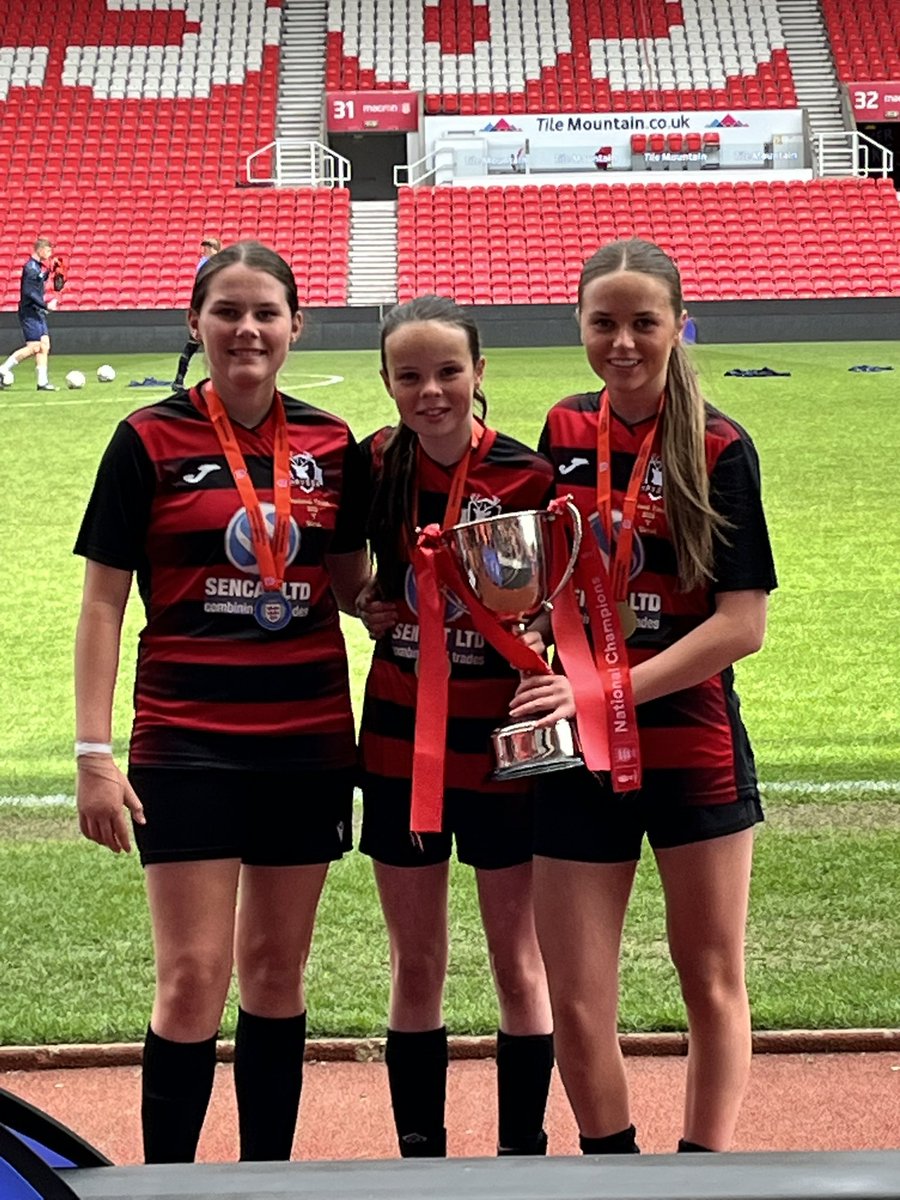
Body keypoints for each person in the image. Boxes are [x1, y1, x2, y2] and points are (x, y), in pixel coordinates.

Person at [73, 240, 370, 1165]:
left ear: (295, 325)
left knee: (277, 974)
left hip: (308, 741)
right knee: (192, 977)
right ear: (194, 323)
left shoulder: (333, 445)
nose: (247, 329)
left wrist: (465, 594)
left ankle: (265, 1183)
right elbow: (102, 604)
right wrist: (92, 753)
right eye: (227, 312)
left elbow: (354, 588)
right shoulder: (146, 439)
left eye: (265, 313)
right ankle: (166, 1186)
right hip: (186, 740)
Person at [512, 238, 777, 1156]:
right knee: (579, 996)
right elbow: (544, 577)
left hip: (691, 743)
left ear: (678, 326)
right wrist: (529, 633)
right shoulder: (561, 427)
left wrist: (608, 691)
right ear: (579, 325)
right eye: (604, 323)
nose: (622, 342)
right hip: (575, 750)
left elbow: (742, 624)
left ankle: (703, 1170)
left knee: (711, 980)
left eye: (642, 323)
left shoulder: (719, 445)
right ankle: (613, 1168)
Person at [355, 296, 556, 1160]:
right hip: (399, 742)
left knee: (519, 961)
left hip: (505, 744)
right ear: (387, 381)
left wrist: (540, 630)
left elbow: (561, 603)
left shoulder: (529, 475)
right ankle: (420, 1158)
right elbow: (347, 575)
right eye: (410, 375)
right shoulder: (373, 463)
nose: (430, 391)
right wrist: (368, 602)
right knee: (416, 963)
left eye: (448, 372)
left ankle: (522, 1157)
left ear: (479, 373)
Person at [0, 236, 62, 391]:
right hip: (29, 312)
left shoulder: (37, 267)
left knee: (44, 345)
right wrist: (46, 305)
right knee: (34, 347)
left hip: (37, 312)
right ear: (40, 250)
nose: (50, 254)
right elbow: (29, 293)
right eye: (48, 250)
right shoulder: (30, 267)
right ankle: (3, 369)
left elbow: (38, 281)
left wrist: (50, 271)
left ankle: (42, 382)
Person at [172, 236, 222, 390]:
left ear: (216, 250)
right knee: (194, 345)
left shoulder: (212, 265)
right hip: (206, 309)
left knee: (199, 346)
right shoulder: (208, 264)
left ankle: (179, 380)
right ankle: (179, 380)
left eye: (209, 247)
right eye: (205, 247)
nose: (205, 249)